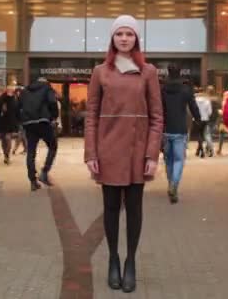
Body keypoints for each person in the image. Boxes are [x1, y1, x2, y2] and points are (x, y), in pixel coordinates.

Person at [85, 15, 163, 293]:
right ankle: (113, 260)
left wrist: (152, 155)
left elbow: (157, 117)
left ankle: (130, 261)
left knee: (134, 210)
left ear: (136, 38)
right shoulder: (100, 72)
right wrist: (90, 152)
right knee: (110, 208)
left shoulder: (149, 72)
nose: (125, 38)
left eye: (130, 34)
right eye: (120, 34)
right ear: (112, 38)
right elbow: (91, 116)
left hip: (137, 152)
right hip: (107, 152)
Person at [161, 64, 200, 204]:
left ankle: (171, 182)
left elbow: (158, 109)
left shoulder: (163, 89)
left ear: (168, 73)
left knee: (168, 159)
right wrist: (198, 119)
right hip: (180, 129)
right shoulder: (185, 89)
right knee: (179, 159)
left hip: (165, 129)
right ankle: (174, 184)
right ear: (180, 73)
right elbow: (193, 107)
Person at [18, 77, 59, 191]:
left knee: (31, 151)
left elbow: (18, 106)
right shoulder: (47, 88)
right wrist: (54, 117)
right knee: (53, 146)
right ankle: (44, 172)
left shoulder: (25, 90)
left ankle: (32, 181)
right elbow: (52, 102)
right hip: (43, 122)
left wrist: (21, 121)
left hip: (29, 123)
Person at [0, 86, 20, 165]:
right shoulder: (2, 99)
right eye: (9, 90)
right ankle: (5, 154)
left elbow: (17, 111)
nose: (10, 92)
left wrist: (18, 122)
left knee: (7, 138)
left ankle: (7, 155)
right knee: (4, 139)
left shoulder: (14, 99)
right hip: (3, 121)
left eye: (11, 90)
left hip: (10, 122)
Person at [12, 87, 27, 155]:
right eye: (17, 92)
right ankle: (26, 149)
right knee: (22, 135)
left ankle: (15, 148)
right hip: (19, 120)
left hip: (23, 120)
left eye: (19, 92)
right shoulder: (16, 100)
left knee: (20, 135)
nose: (18, 93)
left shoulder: (23, 101)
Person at [217, 90, 228, 155]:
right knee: (225, 135)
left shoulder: (225, 102)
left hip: (225, 121)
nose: (224, 96)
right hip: (227, 121)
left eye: (225, 95)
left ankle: (219, 150)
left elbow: (226, 112)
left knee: (222, 135)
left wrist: (221, 112)